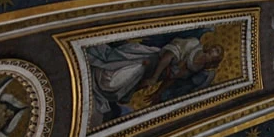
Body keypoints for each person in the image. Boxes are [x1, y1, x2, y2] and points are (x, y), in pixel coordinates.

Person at [85, 29, 225, 121]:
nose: (215, 52)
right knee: (119, 73)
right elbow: (167, 57)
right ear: (210, 48)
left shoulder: (196, 68)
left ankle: (101, 94)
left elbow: (172, 78)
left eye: (218, 54)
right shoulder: (193, 44)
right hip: (150, 60)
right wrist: (153, 78)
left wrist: (158, 92)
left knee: (126, 89)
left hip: (156, 75)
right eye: (216, 49)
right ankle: (95, 77)